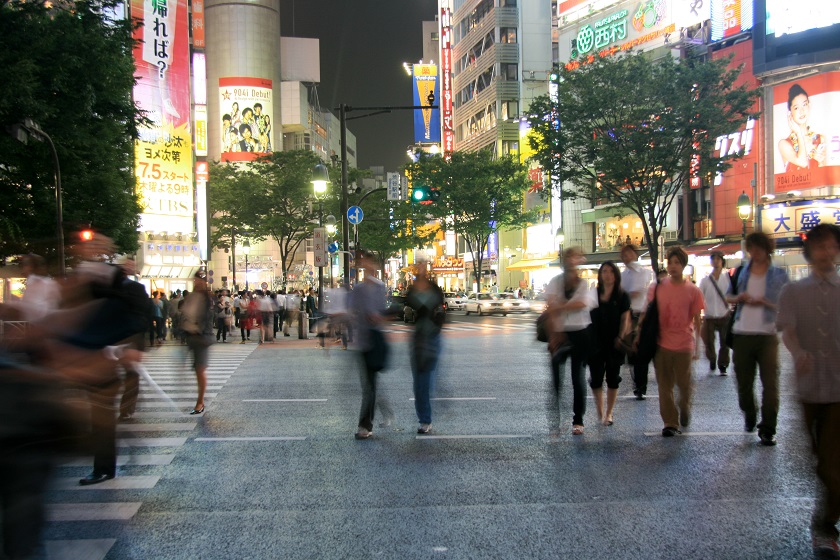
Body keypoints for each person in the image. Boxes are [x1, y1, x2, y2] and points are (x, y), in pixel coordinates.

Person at [776, 224, 840, 559]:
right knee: (820, 458)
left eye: (832, 246)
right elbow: (787, 330)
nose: (826, 252)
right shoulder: (794, 291)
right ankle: (827, 513)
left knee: (832, 462)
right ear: (810, 252)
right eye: (820, 247)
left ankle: (825, 526)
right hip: (810, 387)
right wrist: (798, 352)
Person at [728, 232, 789, 446]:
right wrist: (739, 298)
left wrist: (766, 302)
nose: (755, 252)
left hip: (767, 335)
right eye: (751, 248)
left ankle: (767, 428)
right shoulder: (742, 271)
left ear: (767, 249)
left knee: (770, 384)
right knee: (743, 384)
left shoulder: (780, 274)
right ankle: (750, 412)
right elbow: (728, 295)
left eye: (759, 248)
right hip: (742, 333)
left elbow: (787, 304)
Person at [639, 246, 704, 437]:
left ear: (683, 265)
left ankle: (684, 407)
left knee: (684, 385)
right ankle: (670, 422)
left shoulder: (693, 290)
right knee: (664, 385)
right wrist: (639, 333)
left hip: (684, 344)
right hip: (662, 344)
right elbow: (647, 313)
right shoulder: (657, 288)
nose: (673, 266)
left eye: (677, 262)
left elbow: (697, 319)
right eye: (670, 262)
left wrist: (698, 345)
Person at [545, 247, 595, 436]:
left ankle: (578, 420)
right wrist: (553, 336)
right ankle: (555, 421)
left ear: (579, 260)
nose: (570, 261)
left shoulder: (583, 284)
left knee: (577, 378)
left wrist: (560, 306)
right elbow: (550, 309)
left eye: (573, 257)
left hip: (580, 334)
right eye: (567, 257)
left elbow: (581, 303)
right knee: (556, 380)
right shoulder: (555, 282)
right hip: (559, 333)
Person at [349, 250, 393, 439]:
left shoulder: (379, 286)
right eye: (362, 262)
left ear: (373, 265)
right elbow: (351, 309)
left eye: (367, 262)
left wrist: (378, 316)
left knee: (369, 385)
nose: (365, 265)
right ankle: (383, 411)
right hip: (362, 341)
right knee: (369, 385)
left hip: (374, 340)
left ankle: (365, 425)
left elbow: (381, 312)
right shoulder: (358, 289)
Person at [588, 261, 631, 426]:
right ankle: (600, 410)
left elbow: (625, 318)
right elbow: (586, 314)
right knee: (596, 378)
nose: (607, 274)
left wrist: (621, 336)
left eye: (611, 271)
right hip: (596, 341)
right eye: (604, 271)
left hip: (615, 342)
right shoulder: (594, 293)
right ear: (600, 275)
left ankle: (609, 412)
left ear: (616, 275)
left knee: (613, 378)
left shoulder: (622, 295)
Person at [405, 259, 446, 434]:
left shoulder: (435, 289)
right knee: (419, 383)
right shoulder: (412, 290)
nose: (421, 268)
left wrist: (437, 326)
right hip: (418, 339)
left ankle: (425, 418)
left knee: (427, 380)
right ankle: (424, 419)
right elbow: (404, 310)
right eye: (418, 265)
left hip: (433, 338)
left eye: (423, 265)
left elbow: (442, 311)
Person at [620, 244, 653, 399]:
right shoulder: (623, 274)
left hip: (641, 315)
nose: (626, 257)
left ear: (635, 254)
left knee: (641, 351)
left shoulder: (644, 272)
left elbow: (635, 292)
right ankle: (637, 383)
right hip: (627, 315)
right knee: (631, 352)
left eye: (628, 254)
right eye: (623, 255)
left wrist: (623, 296)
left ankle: (640, 386)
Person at [181, 271, 214, 415]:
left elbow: (208, 318)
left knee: (200, 369)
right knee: (196, 369)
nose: (198, 282)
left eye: (200, 280)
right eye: (196, 280)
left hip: (201, 337)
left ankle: (200, 402)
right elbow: (183, 315)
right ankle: (199, 401)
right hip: (190, 335)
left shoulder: (208, 299)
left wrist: (201, 331)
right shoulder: (191, 297)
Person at [698, 251, 732, 376]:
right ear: (711, 262)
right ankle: (712, 358)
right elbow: (700, 297)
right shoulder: (705, 280)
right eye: (714, 259)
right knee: (708, 341)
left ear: (722, 261)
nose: (716, 261)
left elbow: (731, 295)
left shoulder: (727, 279)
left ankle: (723, 364)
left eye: (718, 259)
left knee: (725, 342)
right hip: (709, 315)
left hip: (724, 314)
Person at [778, 83, 826, 171]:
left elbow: (826, 175)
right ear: (790, 113)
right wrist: (799, 133)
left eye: (804, 105)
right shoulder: (785, 144)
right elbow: (803, 162)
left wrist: (821, 162)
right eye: (796, 108)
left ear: (809, 106)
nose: (802, 111)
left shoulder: (820, 139)